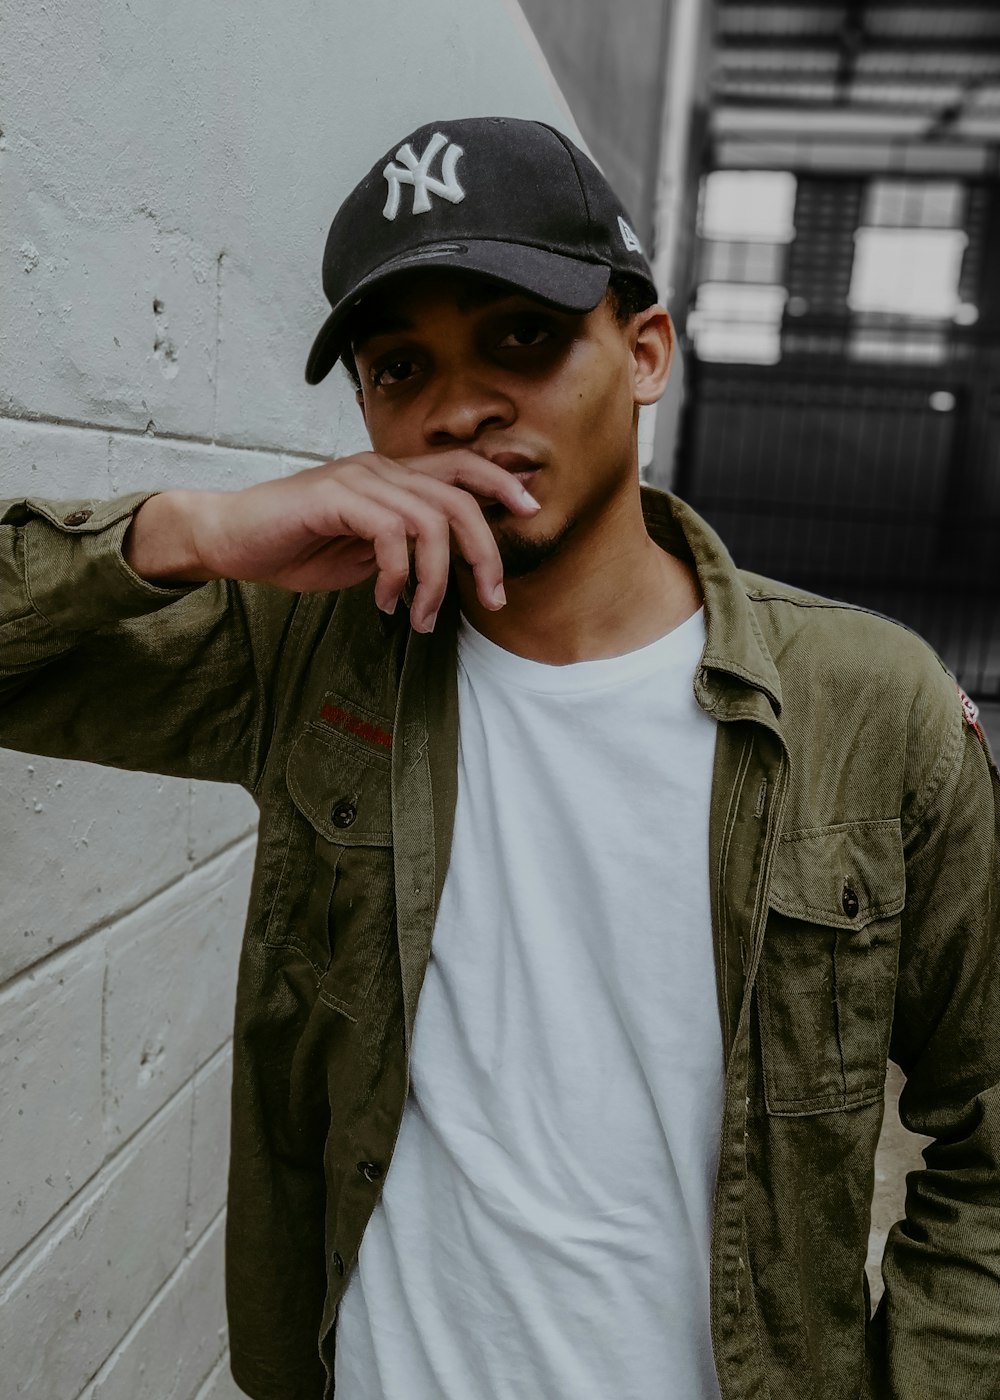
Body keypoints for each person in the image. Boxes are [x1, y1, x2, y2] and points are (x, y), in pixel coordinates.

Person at [1, 115, 998, 1400]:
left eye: (522, 336)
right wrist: (192, 529)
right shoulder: (313, 651)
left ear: (644, 354)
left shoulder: (871, 711)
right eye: (399, 366)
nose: (457, 406)